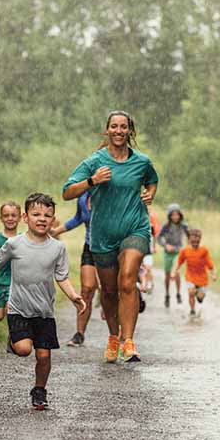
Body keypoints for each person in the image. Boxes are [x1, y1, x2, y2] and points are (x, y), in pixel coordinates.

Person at [62, 110, 158, 362]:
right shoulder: (95, 161)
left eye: (123, 126)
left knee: (127, 281)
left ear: (130, 131)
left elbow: (152, 181)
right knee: (108, 291)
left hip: (135, 227)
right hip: (102, 234)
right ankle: (113, 337)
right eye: (113, 126)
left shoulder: (142, 161)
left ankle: (128, 341)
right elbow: (67, 192)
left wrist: (150, 195)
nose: (118, 131)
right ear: (107, 130)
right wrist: (92, 181)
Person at [0, 193, 86, 409]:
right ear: (25, 217)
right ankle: (14, 340)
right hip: (18, 309)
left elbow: (61, 276)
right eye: (36, 214)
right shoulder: (14, 244)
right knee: (25, 349)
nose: (42, 219)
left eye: (47, 215)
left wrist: (73, 296)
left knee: (44, 356)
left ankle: (39, 390)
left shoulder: (57, 248)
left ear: (53, 220)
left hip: (44, 312)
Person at [50, 190, 100, 347]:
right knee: (86, 289)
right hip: (90, 247)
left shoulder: (110, 193)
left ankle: (119, 336)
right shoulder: (83, 197)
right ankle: (79, 334)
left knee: (109, 291)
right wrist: (56, 231)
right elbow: (79, 218)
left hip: (110, 248)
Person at [0, 201, 21, 321]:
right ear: (1, 218)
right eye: (6, 216)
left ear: (20, 217)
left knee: (11, 311)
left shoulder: (23, 239)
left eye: (13, 215)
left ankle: (14, 336)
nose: (10, 218)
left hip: (15, 284)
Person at [171, 228, 217, 317]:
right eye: (193, 241)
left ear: (200, 240)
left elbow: (210, 265)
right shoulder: (185, 250)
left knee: (200, 297)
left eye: (197, 241)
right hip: (190, 276)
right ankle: (192, 310)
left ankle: (198, 295)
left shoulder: (204, 250)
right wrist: (173, 272)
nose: (195, 243)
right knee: (191, 292)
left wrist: (213, 274)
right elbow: (178, 262)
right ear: (189, 240)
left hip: (202, 277)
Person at [157, 203, 189, 308]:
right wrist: (165, 245)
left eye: (177, 215)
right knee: (167, 274)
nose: (175, 217)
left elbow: (190, 236)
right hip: (168, 253)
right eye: (173, 215)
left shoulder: (183, 226)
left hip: (178, 252)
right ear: (169, 216)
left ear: (180, 215)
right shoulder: (166, 226)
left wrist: (189, 247)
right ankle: (167, 294)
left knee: (176, 272)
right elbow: (159, 238)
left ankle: (178, 293)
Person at [142, 206, 161, 292]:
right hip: (138, 249)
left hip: (148, 250)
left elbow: (154, 236)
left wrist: (154, 247)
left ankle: (149, 283)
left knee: (148, 268)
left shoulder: (151, 224)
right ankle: (142, 284)